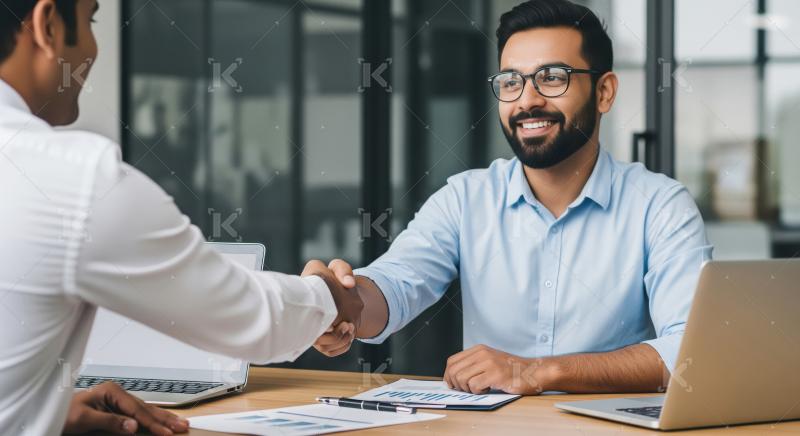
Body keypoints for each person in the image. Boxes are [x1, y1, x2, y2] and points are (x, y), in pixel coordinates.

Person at [315, 0, 712, 396]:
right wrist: (339, 302)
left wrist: (538, 372)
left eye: (552, 78)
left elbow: (692, 351)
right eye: (511, 82)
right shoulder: (466, 199)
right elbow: (396, 285)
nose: (526, 101)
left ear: (604, 92)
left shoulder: (659, 206)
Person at [0, 1, 362, 434]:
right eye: (91, 19)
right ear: (47, 25)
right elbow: (251, 319)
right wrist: (330, 297)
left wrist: (42, 410)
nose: (92, 48)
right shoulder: (75, 179)